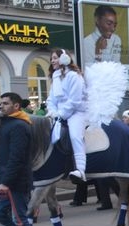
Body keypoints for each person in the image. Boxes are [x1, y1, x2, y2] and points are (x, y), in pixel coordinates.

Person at [0, 93, 34, 226]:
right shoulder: (8, 123)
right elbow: (7, 154)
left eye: (5, 103)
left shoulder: (19, 126)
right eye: (1, 103)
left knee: (20, 218)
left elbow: (17, 158)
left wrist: (5, 182)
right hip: (7, 177)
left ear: (16, 106)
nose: (1, 106)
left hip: (16, 180)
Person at [46, 48, 87, 183]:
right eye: (52, 58)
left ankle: (80, 170)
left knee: (75, 136)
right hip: (59, 114)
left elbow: (74, 101)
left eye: (55, 58)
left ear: (64, 58)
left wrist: (61, 114)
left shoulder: (74, 76)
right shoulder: (56, 77)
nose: (52, 61)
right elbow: (51, 99)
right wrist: (51, 112)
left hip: (76, 112)